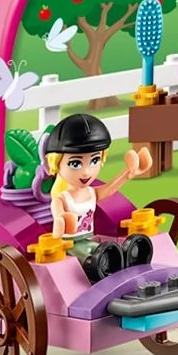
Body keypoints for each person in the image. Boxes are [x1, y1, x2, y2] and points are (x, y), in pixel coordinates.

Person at [44, 114, 153, 282]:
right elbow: (58, 223)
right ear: (56, 163)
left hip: (89, 241)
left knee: (109, 252)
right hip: (69, 246)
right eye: (75, 163)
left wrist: (127, 173)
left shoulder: (90, 192)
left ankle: (130, 263)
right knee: (98, 258)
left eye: (94, 160)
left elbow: (109, 189)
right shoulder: (62, 199)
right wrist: (61, 221)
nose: (87, 172)